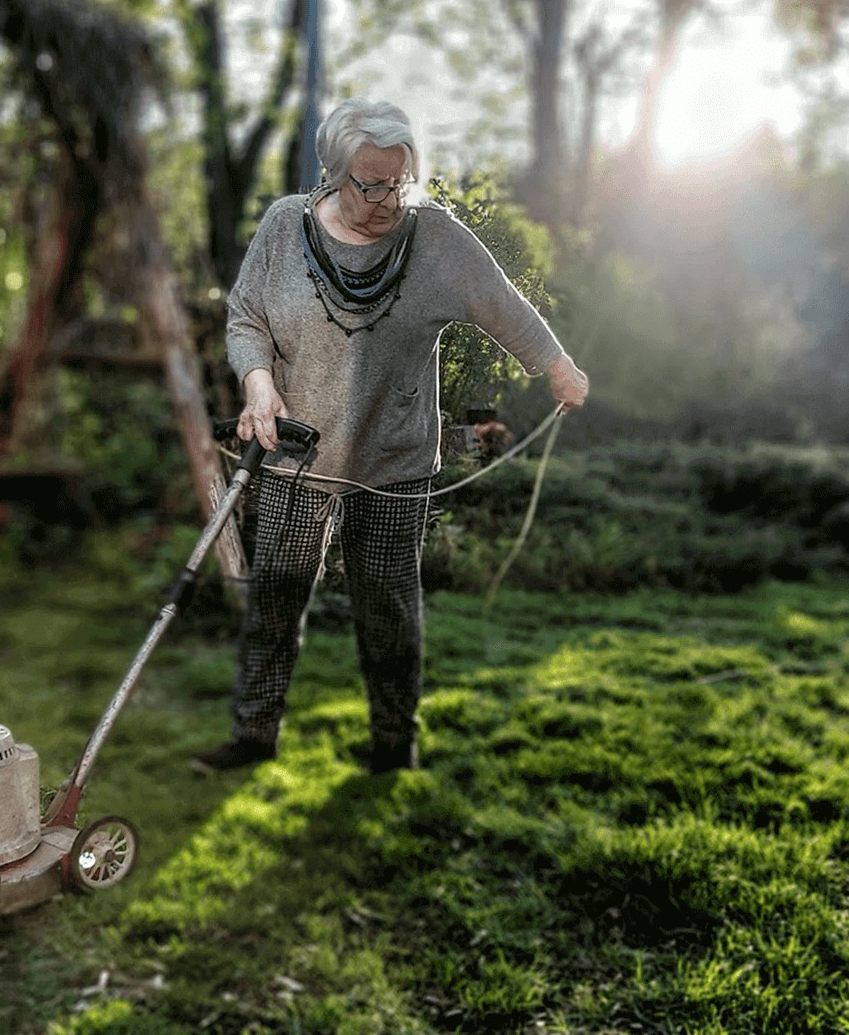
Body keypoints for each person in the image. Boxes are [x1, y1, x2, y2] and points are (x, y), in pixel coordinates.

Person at [192, 97, 589, 776]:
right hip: (294, 451)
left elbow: (503, 306)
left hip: (393, 459)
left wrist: (557, 366)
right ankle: (254, 734)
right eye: (367, 183)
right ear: (332, 171)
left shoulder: (436, 239)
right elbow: (245, 319)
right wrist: (258, 383)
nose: (383, 198)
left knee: (387, 607)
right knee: (276, 593)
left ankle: (392, 744)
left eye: (396, 182)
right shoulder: (285, 226)